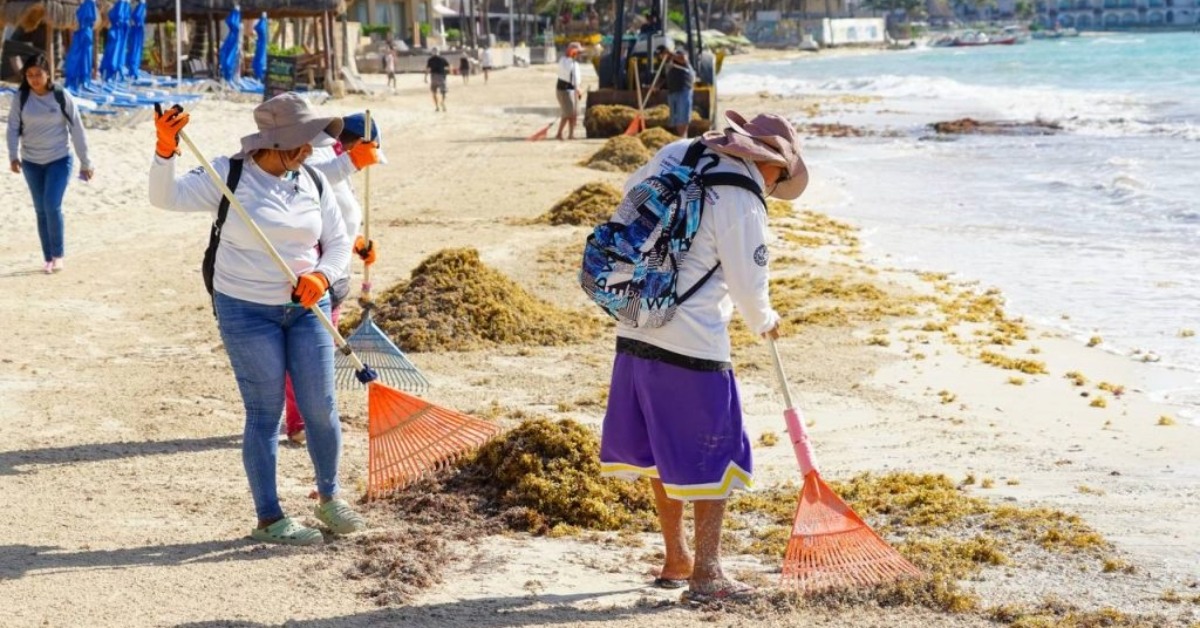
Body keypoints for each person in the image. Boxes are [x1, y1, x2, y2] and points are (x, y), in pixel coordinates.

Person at [598, 110, 808, 603]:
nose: (776, 186)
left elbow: (626, 210)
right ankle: (707, 574)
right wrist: (765, 320)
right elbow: (748, 285)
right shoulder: (743, 199)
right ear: (770, 164)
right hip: (692, 341)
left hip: (635, 320)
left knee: (658, 451)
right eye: (781, 176)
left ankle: (678, 558)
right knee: (715, 451)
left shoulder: (677, 153)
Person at [147, 92, 367, 546]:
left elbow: (340, 241)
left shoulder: (311, 179)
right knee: (264, 412)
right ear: (275, 141)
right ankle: (270, 518)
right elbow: (164, 197)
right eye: (303, 141)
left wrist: (323, 277)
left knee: (321, 408)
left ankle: (329, 497)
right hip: (245, 310)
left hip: (308, 307)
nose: (311, 149)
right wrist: (165, 147)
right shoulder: (226, 175)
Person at [281, 113, 384, 444]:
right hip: (315, 274)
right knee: (309, 352)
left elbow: (335, 215)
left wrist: (356, 244)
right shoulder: (321, 155)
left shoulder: (345, 165)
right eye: (362, 154)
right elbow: (302, 179)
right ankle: (300, 423)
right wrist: (350, 162)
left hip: (337, 276)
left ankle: (311, 417)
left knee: (318, 351)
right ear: (351, 143)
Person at [6, 54, 93, 274]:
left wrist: (86, 162)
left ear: (48, 74)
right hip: (31, 162)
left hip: (59, 160)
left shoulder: (61, 95)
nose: (34, 79)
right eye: (29, 75)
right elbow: (12, 127)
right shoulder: (22, 96)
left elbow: (77, 130)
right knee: (40, 210)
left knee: (52, 205)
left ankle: (58, 255)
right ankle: (47, 258)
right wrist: (13, 155)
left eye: (38, 74)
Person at [554, 42, 583, 141]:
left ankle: (571, 134)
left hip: (571, 90)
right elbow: (571, 77)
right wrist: (577, 88)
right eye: (577, 52)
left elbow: (576, 79)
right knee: (567, 114)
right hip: (564, 91)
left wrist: (578, 89)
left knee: (572, 114)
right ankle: (559, 133)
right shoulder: (565, 62)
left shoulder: (573, 63)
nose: (579, 55)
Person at [665, 49, 695, 138]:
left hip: (683, 90)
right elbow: (664, 77)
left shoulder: (680, 54)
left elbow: (684, 59)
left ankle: (683, 138)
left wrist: (670, 54)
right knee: (675, 118)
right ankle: (679, 138)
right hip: (672, 91)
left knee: (682, 117)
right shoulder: (667, 63)